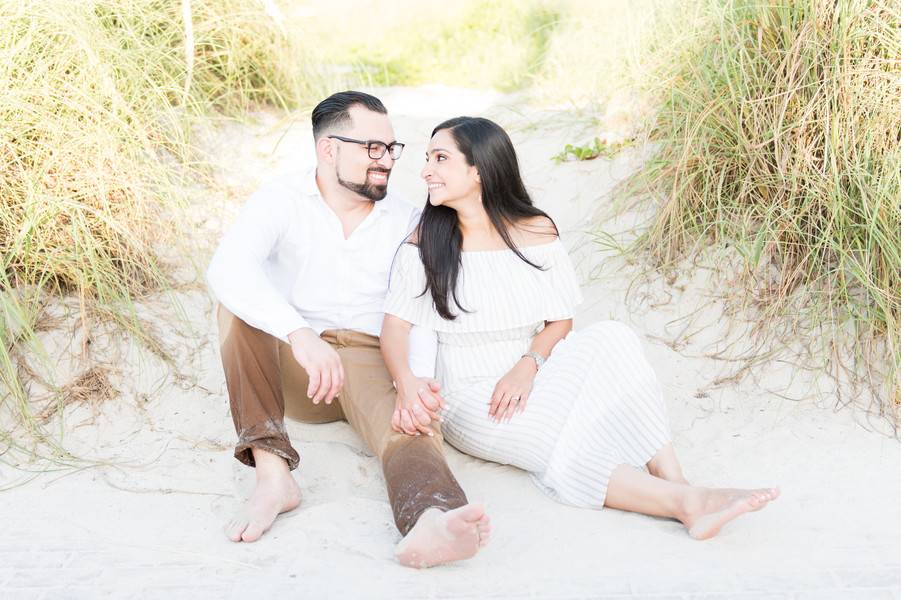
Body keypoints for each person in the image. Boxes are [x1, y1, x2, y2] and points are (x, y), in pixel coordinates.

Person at [380, 116, 779, 539]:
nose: (426, 170)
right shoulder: (426, 241)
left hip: (532, 368)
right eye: (427, 158)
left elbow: (560, 321)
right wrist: (406, 383)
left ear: (479, 169)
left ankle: (676, 480)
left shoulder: (535, 230)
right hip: (471, 396)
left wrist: (527, 365)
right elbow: (395, 328)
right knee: (563, 438)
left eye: (440, 158)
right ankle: (685, 504)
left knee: (614, 337)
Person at [206, 92, 490, 567]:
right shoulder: (281, 198)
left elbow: (420, 307)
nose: (387, 162)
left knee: (411, 422)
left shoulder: (407, 220)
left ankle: (431, 517)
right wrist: (299, 334)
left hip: (373, 357)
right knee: (236, 309)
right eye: (372, 149)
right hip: (298, 367)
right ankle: (273, 476)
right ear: (329, 149)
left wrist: (411, 380)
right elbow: (227, 269)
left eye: (392, 149)